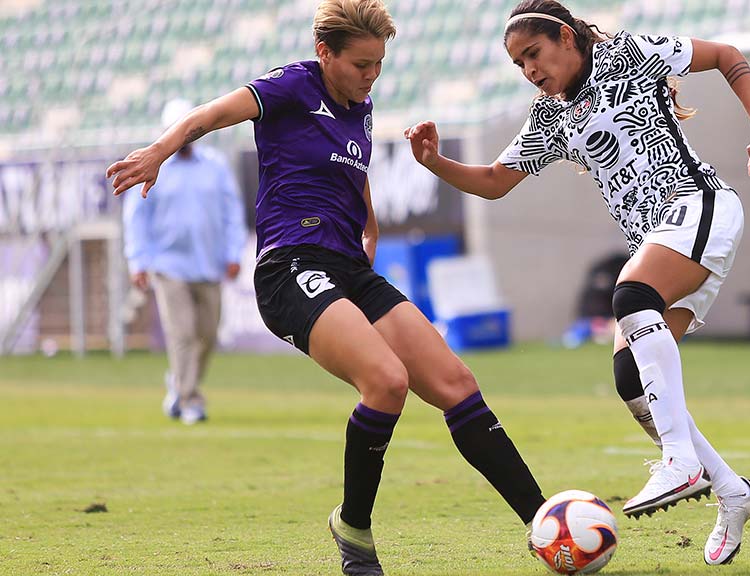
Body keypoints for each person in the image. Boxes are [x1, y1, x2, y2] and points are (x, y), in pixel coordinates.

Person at [107, 2, 545, 574]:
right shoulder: (291, 86)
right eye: (362, 64)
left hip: (350, 269)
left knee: (456, 384)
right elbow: (211, 114)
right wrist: (159, 152)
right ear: (325, 54)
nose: (371, 75)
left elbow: (355, 175)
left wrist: (371, 224)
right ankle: (354, 531)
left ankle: (546, 522)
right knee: (386, 382)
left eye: (379, 64)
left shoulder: (360, 104)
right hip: (289, 267)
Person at [405, 0, 750, 565]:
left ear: (566, 37)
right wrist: (435, 162)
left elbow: (726, 56)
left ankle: (680, 461)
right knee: (632, 379)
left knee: (630, 296)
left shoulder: (626, 55)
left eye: (533, 53)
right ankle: (732, 492)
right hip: (660, 240)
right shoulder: (550, 116)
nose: (530, 70)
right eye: (518, 64)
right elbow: (492, 183)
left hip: (698, 206)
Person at [122, 98, 247, 425]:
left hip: (209, 263)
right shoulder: (153, 165)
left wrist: (234, 253)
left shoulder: (215, 166)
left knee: (208, 334)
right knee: (183, 334)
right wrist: (138, 261)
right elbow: (136, 218)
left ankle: (179, 383)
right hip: (169, 265)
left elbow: (232, 212)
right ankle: (190, 399)